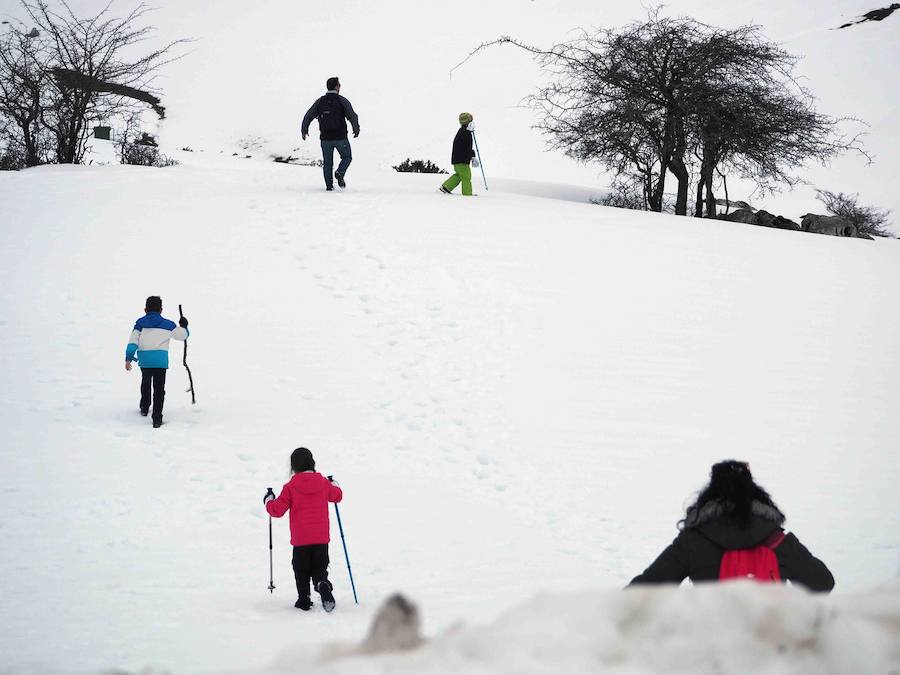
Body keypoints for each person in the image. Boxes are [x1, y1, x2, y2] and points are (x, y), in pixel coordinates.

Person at [629, 460, 834, 591]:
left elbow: (644, 591)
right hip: (770, 653)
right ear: (756, 494)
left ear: (709, 494)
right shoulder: (779, 541)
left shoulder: (692, 542)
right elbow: (823, 583)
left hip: (715, 651)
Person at [265, 447, 344, 611]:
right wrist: (333, 484)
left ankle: (304, 600)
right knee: (320, 568)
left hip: (301, 540)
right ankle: (322, 583)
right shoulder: (323, 483)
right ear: (312, 463)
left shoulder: (290, 487)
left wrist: (268, 501)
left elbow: (276, 511)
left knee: (301, 570)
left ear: (293, 466)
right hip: (321, 539)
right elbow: (337, 496)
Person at [125, 296, 189, 428]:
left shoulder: (140, 324)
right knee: (159, 389)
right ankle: (157, 419)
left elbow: (132, 341)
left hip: (145, 361)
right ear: (161, 310)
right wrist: (184, 326)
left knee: (146, 382)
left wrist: (128, 357)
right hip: (160, 362)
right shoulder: (168, 325)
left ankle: (144, 406)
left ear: (145, 309)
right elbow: (182, 335)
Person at [301, 77, 360, 191]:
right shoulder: (342, 100)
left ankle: (329, 187)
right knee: (347, 157)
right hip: (340, 137)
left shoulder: (320, 101)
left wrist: (304, 130)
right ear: (336, 87)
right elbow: (352, 116)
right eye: (339, 85)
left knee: (328, 163)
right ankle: (340, 172)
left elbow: (308, 116)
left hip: (325, 138)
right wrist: (356, 129)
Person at [439, 112, 478, 196]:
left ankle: (446, 187)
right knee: (466, 176)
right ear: (467, 122)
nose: (473, 123)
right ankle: (467, 194)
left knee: (459, 175)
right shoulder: (465, 133)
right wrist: (472, 157)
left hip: (457, 159)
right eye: (471, 121)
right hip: (462, 160)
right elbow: (467, 148)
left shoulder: (464, 131)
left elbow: (467, 147)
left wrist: (472, 156)